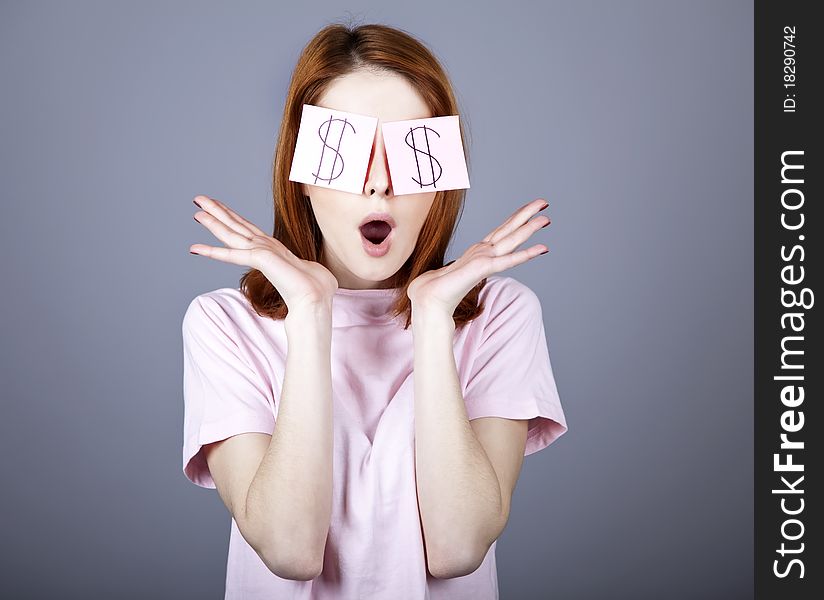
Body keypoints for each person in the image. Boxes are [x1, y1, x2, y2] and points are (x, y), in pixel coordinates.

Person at [181, 22, 568, 599]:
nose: (380, 183)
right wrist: (311, 313)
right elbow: (288, 549)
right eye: (347, 150)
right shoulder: (224, 325)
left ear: (439, 177)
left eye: (410, 152)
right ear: (304, 176)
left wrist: (434, 319)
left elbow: (460, 546)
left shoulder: (499, 315)